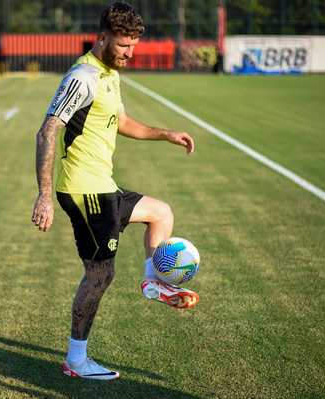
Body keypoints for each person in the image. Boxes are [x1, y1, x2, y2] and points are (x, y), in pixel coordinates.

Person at [31, 1, 199, 381]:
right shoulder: (82, 78)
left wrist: (165, 134)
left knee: (161, 213)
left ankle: (152, 279)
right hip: (84, 190)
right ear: (103, 37)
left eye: (134, 46)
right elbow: (47, 130)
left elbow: (121, 121)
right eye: (124, 46)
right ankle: (77, 359)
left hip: (102, 186)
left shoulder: (110, 74)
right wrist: (43, 194)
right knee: (99, 275)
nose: (130, 53)